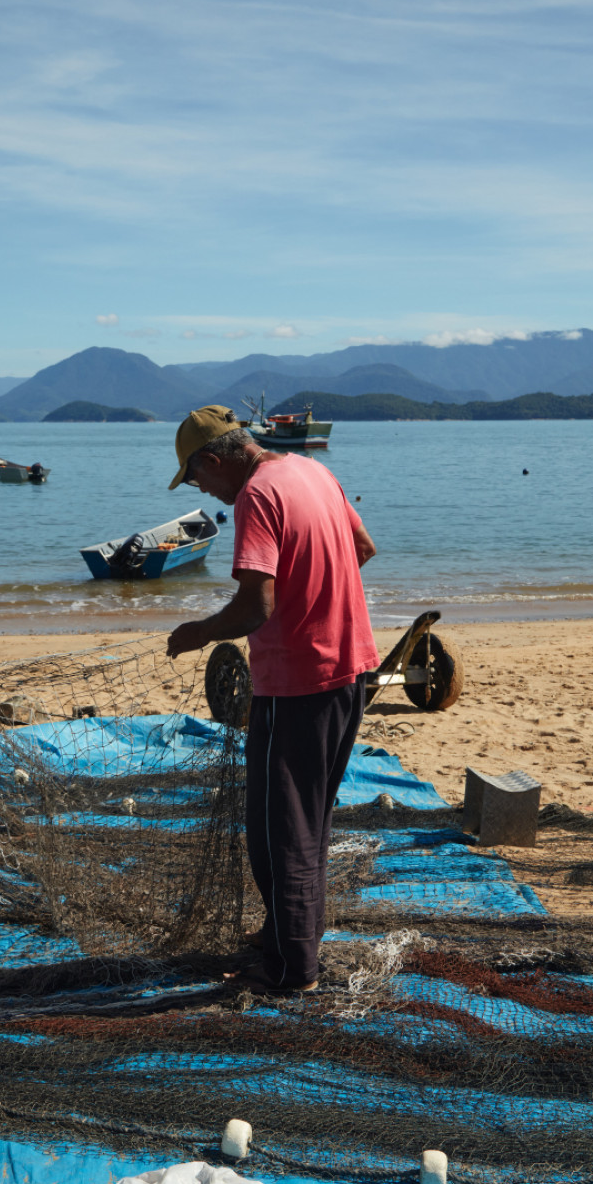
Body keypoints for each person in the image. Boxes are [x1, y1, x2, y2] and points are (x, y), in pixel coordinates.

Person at [166, 406, 379, 994]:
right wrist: (318, 592)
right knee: (308, 820)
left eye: (197, 479)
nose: (204, 491)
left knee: (280, 831)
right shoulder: (311, 472)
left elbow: (254, 607)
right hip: (350, 670)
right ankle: (286, 935)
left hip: (297, 685)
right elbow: (361, 547)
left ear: (213, 460)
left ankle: (291, 971)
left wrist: (198, 633)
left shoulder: (258, 495)